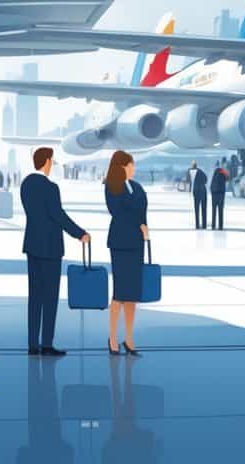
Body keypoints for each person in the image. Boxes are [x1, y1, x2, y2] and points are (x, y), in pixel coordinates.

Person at [21, 147, 90, 356]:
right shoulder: (51, 188)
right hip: (50, 248)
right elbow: (58, 215)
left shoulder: (25, 185)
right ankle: (47, 344)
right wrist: (80, 234)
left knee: (34, 296)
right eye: (52, 160)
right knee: (50, 297)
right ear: (47, 161)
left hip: (32, 245)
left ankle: (33, 344)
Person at [104, 150, 148, 357]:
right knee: (119, 293)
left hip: (136, 244)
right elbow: (119, 211)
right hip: (121, 243)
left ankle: (129, 338)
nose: (134, 168)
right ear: (122, 166)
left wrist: (143, 226)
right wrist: (138, 220)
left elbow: (141, 211)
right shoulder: (112, 186)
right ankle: (112, 337)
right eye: (131, 165)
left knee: (132, 296)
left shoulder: (138, 187)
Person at [189, 161, 208, 229]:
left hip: (196, 192)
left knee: (196, 209)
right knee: (204, 209)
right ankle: (204, 225)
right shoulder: (201, 171)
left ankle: (197, 225)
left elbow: (189, 181)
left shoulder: (190, 171)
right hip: (203, 191)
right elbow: (206, 179)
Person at [210, 163, 228, 230]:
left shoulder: (214, 175)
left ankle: (213, 225)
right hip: (220, 195)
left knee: (214, 211)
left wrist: (212, 193)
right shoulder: (223, 174)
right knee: (220, 211)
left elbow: (211, 186)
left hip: (214, 195)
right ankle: (220, 226)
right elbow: (227, 178)